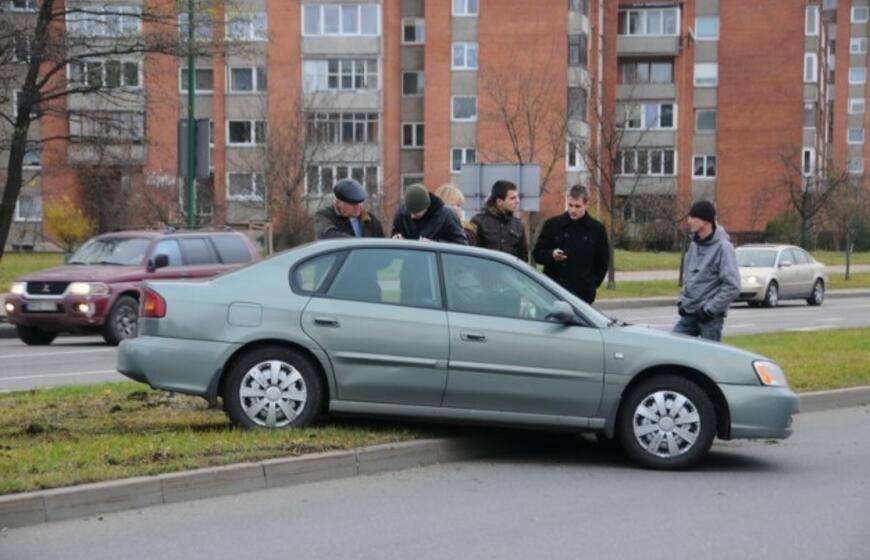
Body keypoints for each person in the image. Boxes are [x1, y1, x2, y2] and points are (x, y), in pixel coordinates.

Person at [673, 200, 740, 342]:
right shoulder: (693, 246)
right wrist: (682, 302)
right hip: (689, 313)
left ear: (706, 221)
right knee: (673, 348)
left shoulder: (724, 248)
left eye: (693, 217)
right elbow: (689, 278)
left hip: (710, 318)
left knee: (709, 360)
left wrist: (709, 310)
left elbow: (732, 286)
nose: (689, 221)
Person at [532, 184, 609, 304]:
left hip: (582, 293)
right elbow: (537, 254)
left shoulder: (597, 230)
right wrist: (551, 254)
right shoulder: (553, 225)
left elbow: (602, 262)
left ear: (586, 204)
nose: (573, 210)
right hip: (554, 290)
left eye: (577, 206)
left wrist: (591, 284)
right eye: (570, 205)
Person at [469, 180, 528, 262]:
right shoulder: (478, 222)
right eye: (512, 198)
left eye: (517, 197)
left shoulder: (518, 225)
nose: (517, 201)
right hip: (485, 272)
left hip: (510, 273)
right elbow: (471, 255)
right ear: (499, 201)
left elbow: (523, 258)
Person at [391, 183, 467, 244]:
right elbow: (395, 233)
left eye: (416, 213)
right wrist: (397, 238)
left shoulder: (446, 216)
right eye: (410, 212)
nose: (412, 216)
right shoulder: (402, 213)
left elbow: (461, 244)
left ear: (427, 207)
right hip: (410, 260)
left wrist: (434, 245)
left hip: (438, 261)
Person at [314, 178, 384, 239]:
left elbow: (380, 246)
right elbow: (328, 236)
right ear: (338, 203)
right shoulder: (324, 215)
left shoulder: (370, 220)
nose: (357, 206)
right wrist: (363, 244)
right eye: (352, 203)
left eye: (360, 202)